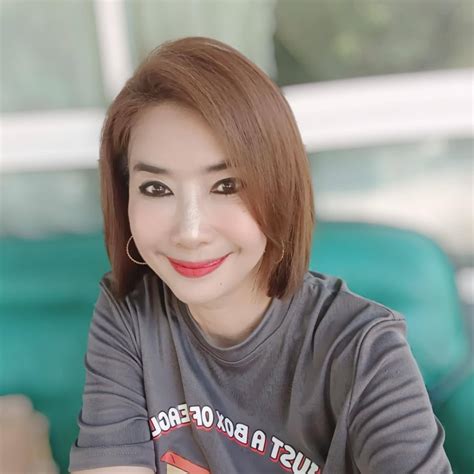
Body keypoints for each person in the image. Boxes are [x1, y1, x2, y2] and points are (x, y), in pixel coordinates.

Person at [69, 37, 451, 474]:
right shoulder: (130, 317)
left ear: (280, 190)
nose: (190, 232)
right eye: (156, 188)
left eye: (227, 186)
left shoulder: (364, 350)